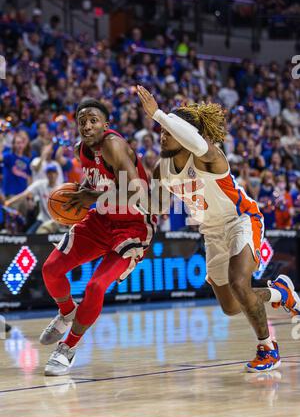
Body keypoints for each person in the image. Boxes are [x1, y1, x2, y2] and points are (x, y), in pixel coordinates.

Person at [137, 85, 300, 373]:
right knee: (232, 306)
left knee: (240, 283)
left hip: (241, 220)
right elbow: (154, 206)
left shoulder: (208, 155)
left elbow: (196, 142)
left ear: (187, 134)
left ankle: (267, 348)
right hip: (210, 232)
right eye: (162, 130)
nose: (162, 134)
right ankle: (280, 294)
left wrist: (159, 114)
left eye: (169, 130)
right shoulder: (162, 169)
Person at [40, 99, 156, 376]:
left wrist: (92, 197)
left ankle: (67, 348)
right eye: (82, 121)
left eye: (93, 120)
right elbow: (94, 184)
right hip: (101, 219)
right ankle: (67, 311)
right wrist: (80, 194)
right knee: (51, 269)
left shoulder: (114, 146)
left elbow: (136, 193)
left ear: (106, 124)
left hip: (131, 227)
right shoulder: (82, 149)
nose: (87, 125)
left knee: (94, 287)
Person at [5, 164, 59, 234]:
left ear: (57, 174)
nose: (51, 175)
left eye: (53, 172)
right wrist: (9, 202)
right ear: (46, 174)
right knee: (29, 235)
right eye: (49, 172)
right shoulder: (40, 184)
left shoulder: (60, 189)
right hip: (42, 220)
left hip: (56, 222)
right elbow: (24, 194)